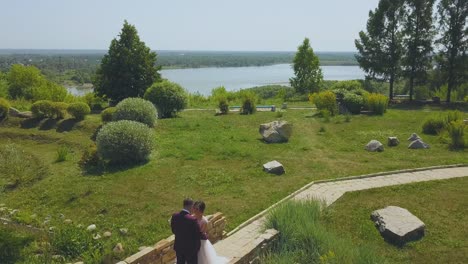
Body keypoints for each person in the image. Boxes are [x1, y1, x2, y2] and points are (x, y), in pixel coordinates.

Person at [171, 198, 202, 264]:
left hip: (179, 246)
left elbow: (173, 230)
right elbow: (198, 234)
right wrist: (206, 237)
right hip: (191, 249)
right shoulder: (192, 219)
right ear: (191, 206)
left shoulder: (174, 216)